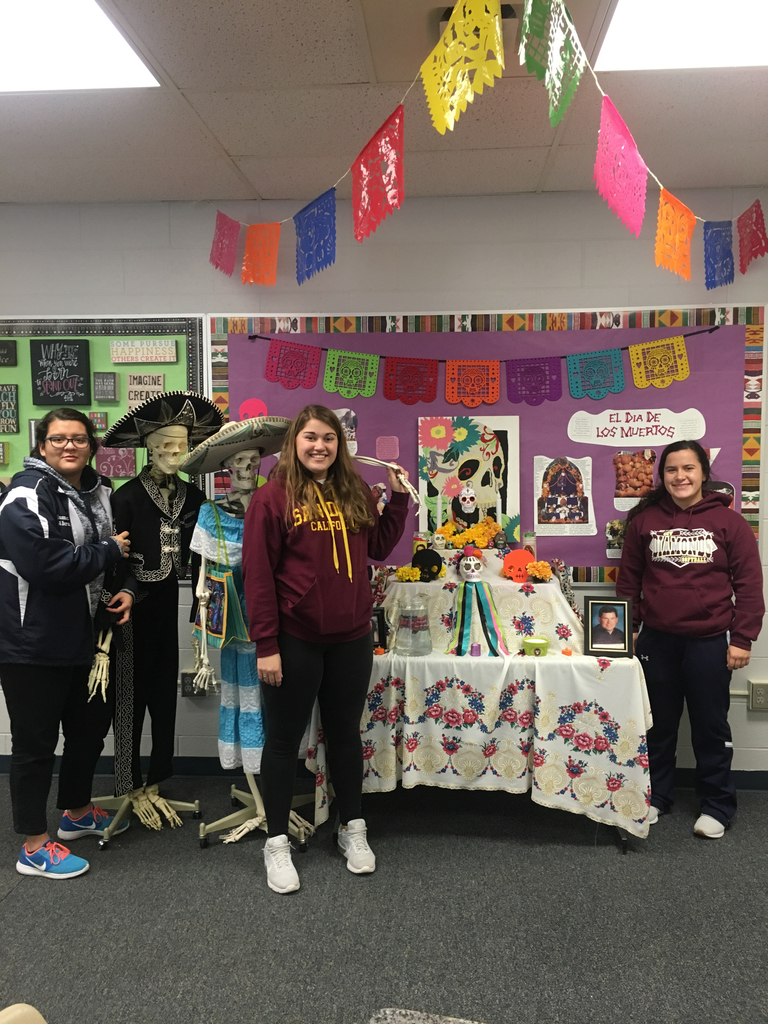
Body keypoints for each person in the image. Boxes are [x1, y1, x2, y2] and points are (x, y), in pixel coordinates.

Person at [242, 405, 410, 893]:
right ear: (295, 441)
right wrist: (266, 646)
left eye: (330, 439)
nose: (320, 446)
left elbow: (377, 546)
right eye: (311, 437)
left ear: (341, 444)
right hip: (293, 640)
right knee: (281, 740)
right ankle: (275, 842)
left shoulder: (355, 489)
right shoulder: (272, 498)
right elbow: (258, 578)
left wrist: (397, 501)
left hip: (352, 638)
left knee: (345, 736)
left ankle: (352, 828)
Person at [0, 408, 134, 879]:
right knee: (35, 744)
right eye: (58, 439)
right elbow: (46, 566)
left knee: (87, 729)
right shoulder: (25, 494)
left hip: (87, 636)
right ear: (41, 445)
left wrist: (126, 587)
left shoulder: (99, 492)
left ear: (92, 445)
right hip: (31, 642)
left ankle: (76, 811)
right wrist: (108, 551)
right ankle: (34, 845)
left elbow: (115, 556)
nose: (69, 446)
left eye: (79, 438)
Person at [617, 439, 764, 840]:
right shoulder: (643, 521)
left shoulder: (729, 523)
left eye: (688, 469)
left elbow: (750, 585)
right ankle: (657, 797)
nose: (680, 477)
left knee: (710, 727)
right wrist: (626, 631)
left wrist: (743, 639)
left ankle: (716, 805)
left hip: (710, 642)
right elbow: (628, 581)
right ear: (661, 476)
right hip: (656, 642)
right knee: (656, 726)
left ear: (703, 474)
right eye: (671, 470)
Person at [101, 392, 222, 826]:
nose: (174, 454)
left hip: (170, 601)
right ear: (149, 448)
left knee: (164, 696)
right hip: (131, 608)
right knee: (129, 694)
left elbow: (205, 552)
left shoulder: (193, 498)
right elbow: (113, 561)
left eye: (181, 446)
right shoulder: (127, 496)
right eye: (166, 446)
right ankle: (128, 783)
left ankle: (157, 777)